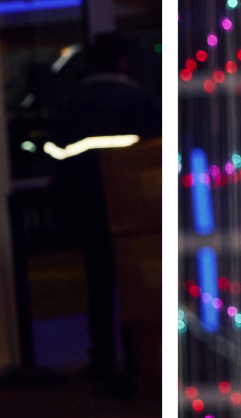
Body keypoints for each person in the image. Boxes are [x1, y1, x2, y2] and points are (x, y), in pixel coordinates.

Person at [43, 31, 158, 390]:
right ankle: (141, 362)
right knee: (138, 285)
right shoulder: (142, 100)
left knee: (100, 284)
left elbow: (54, 152)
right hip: (138, 213)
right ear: (123, 62)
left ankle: (104, 359)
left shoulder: (72, 102)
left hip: (89, 205)